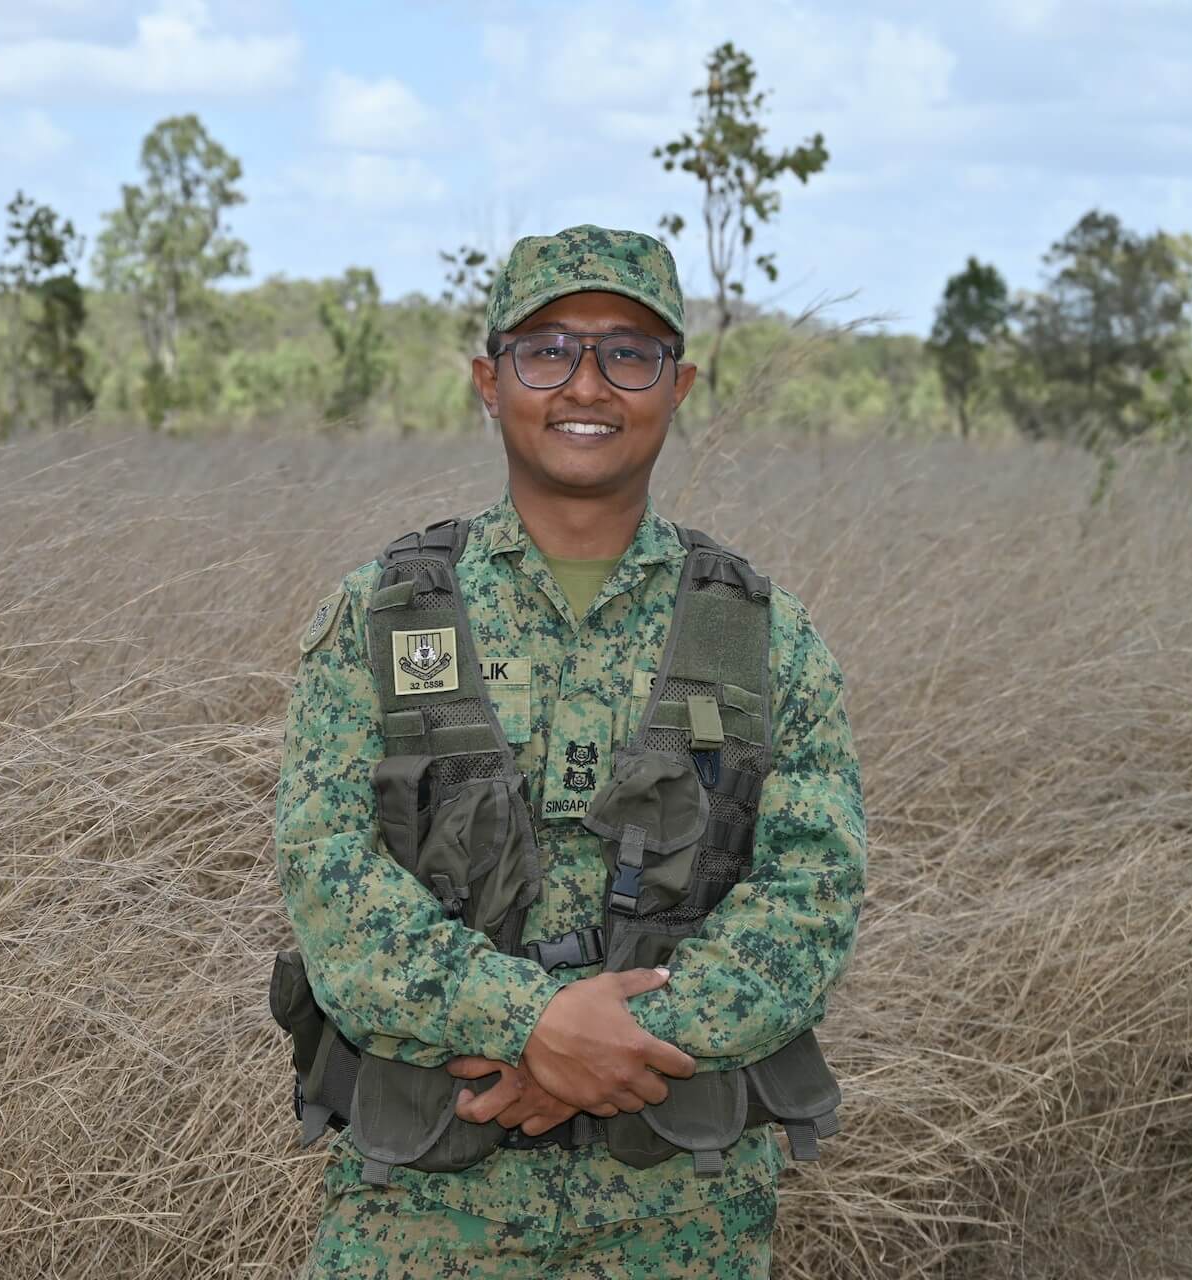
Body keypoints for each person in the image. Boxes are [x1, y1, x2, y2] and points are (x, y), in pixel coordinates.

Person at [271, 225, 867, 1278]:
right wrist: (532, 1022)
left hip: (683, 1215)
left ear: (678, 386)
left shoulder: (760, 634)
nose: (586, 384)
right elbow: (332, 881)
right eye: (547, 350)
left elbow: (812, 892)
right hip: (418, 1215)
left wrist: (604, 1047)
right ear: (489, 381)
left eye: (628, 353)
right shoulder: (385, 613)